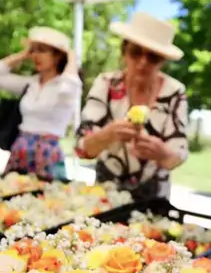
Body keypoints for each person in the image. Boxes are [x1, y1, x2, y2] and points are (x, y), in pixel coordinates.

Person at [76, 12, 189, 200]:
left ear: (162, 61)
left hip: (152, 196)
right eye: (136, 52)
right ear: (124, 51)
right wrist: (109, 134)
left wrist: (162, 153)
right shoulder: (106, 83)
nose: (143, 62)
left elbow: (178, 154)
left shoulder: (174, 92)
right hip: (105, 193)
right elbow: (82, 149)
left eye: (153, 57)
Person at [0, 27, 81, 180]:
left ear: (58, 56)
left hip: (48, 152)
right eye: (33, 50)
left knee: (47, 200)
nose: (35, 55)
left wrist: (72, 58)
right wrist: (22, 55)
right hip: (21, 149)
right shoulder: (30, 84)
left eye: (42, 50)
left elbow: (70, 86)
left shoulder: (64, 86)